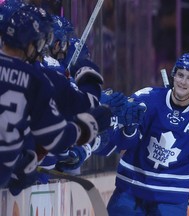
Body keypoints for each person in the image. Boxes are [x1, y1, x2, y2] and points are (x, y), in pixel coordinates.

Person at [0, 7, 110, 194]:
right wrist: (85, 128)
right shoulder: (35, 80)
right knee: (27, 162)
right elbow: (56, 138)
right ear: (31, 42)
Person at [107, 53, 189, 216]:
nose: (183, 82)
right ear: (173, 75)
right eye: (180, 75)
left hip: (172, 198)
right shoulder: (146, 99)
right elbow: (123, 143)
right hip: (131, 189)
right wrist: (128, 128)